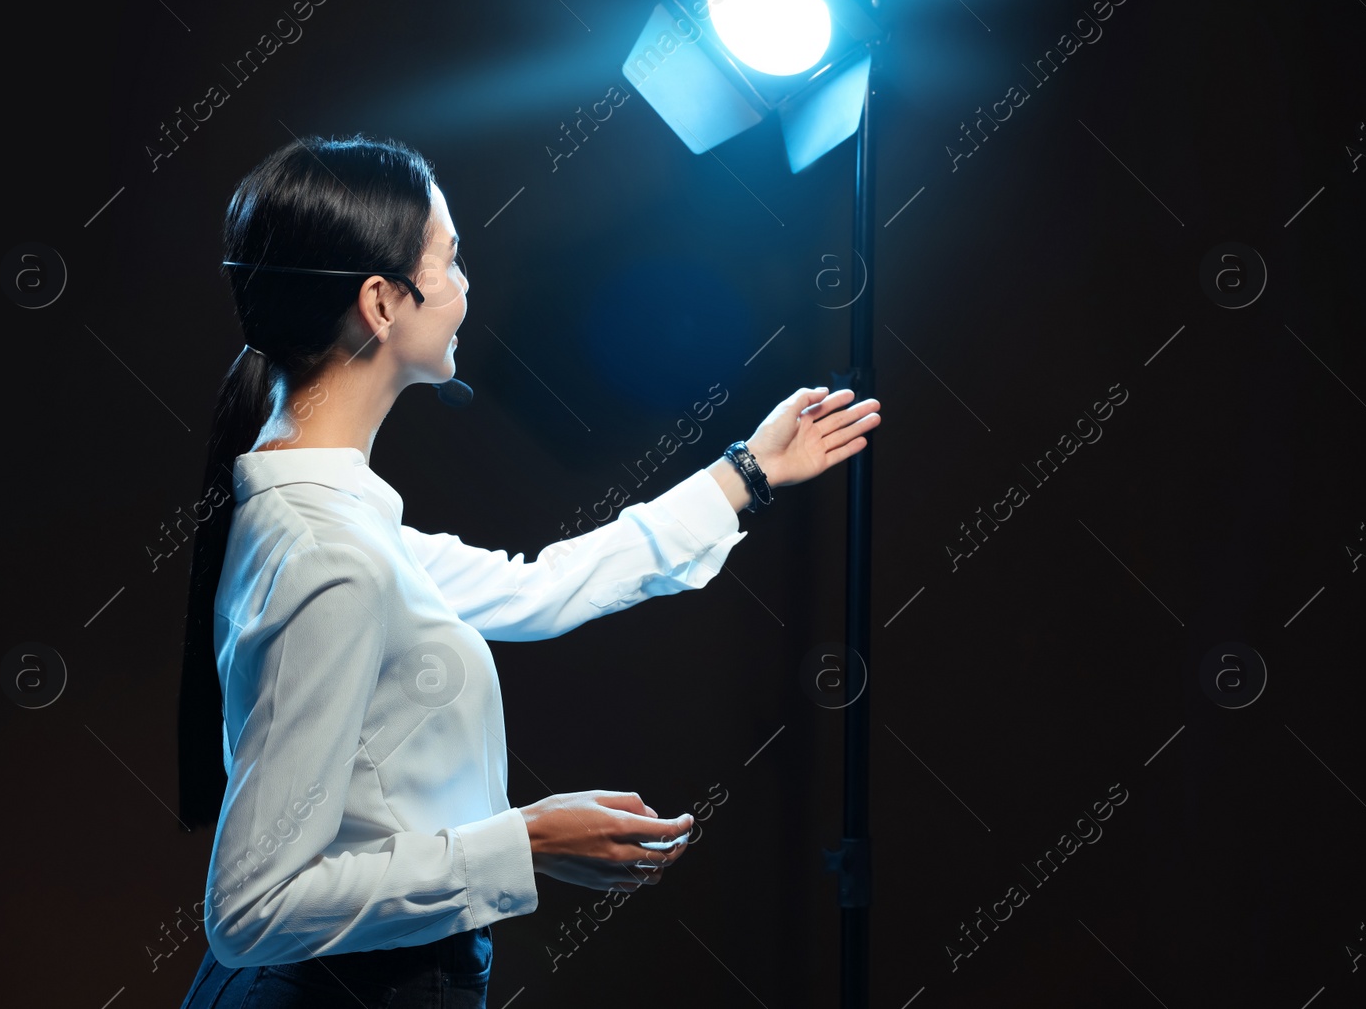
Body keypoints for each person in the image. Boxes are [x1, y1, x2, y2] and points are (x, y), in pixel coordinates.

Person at [174, 134, 881, 1008]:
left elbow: (537, 586)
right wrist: (526, 842)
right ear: (382, 303)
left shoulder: (333, 515)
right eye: (451, 258)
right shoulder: (330, 553)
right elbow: (251, 907)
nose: (467, 285)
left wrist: (743, 474)